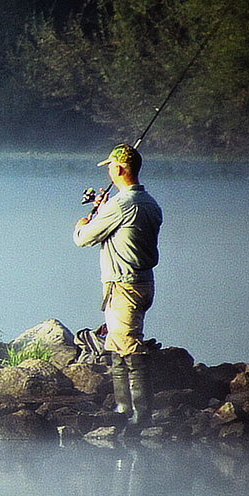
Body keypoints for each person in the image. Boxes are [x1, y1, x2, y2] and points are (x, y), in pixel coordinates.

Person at [74, 143, 163, 427]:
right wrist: (104, 210)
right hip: (142, 283)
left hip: (123, 287)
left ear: (121, 168)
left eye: (111, 166)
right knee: (116, 344)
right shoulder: (150, 203)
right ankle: (123, 407)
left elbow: (84, 238)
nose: (109, 171)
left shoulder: (121, 205)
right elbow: (123, 230)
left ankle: (140, 415)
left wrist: (83, 221)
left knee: (129, 347)